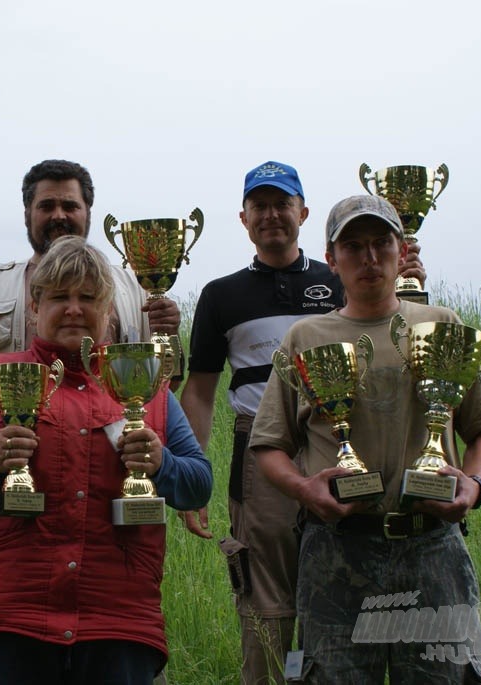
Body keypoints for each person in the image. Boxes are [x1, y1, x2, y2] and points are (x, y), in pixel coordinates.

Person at [0, 236, 212, 684]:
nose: (74, 308)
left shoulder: (149, 386)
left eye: (88, 297)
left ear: (109, 310)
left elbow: (199, 483)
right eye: (59, 297)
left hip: (119, 621)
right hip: (6, 620)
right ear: (34, 307)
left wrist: (162, 464)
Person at [178, 162, 426, 684]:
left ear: (303, 213)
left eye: (282, 204)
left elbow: (389, 329)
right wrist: (192, 476)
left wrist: (410, 287)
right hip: (257, 455)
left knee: (346, 580)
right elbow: (199, 391)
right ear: (243, 218)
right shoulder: (221, 295)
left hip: (339, 447)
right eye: (260, 206)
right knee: (265, 595)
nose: (271, 215)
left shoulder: (337, 276)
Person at [250, 194, 481, 682]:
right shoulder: (305, 337)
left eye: (381, 243)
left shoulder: (440, 325)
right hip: (337, 549)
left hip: (432, 545)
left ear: (399, 247)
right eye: (354, 246)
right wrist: (304, 491)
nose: (369, 258)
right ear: (331, 259)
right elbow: (269, 446)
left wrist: (473, 487)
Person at [0, 158, 181, 384]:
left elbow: (169, 382)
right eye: (47, 206)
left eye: (70, 206)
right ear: (28, 213)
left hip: (108, 441)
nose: (59, 215)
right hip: (12, 443)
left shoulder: (134, 288)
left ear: (88, 212)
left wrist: (170, 332)